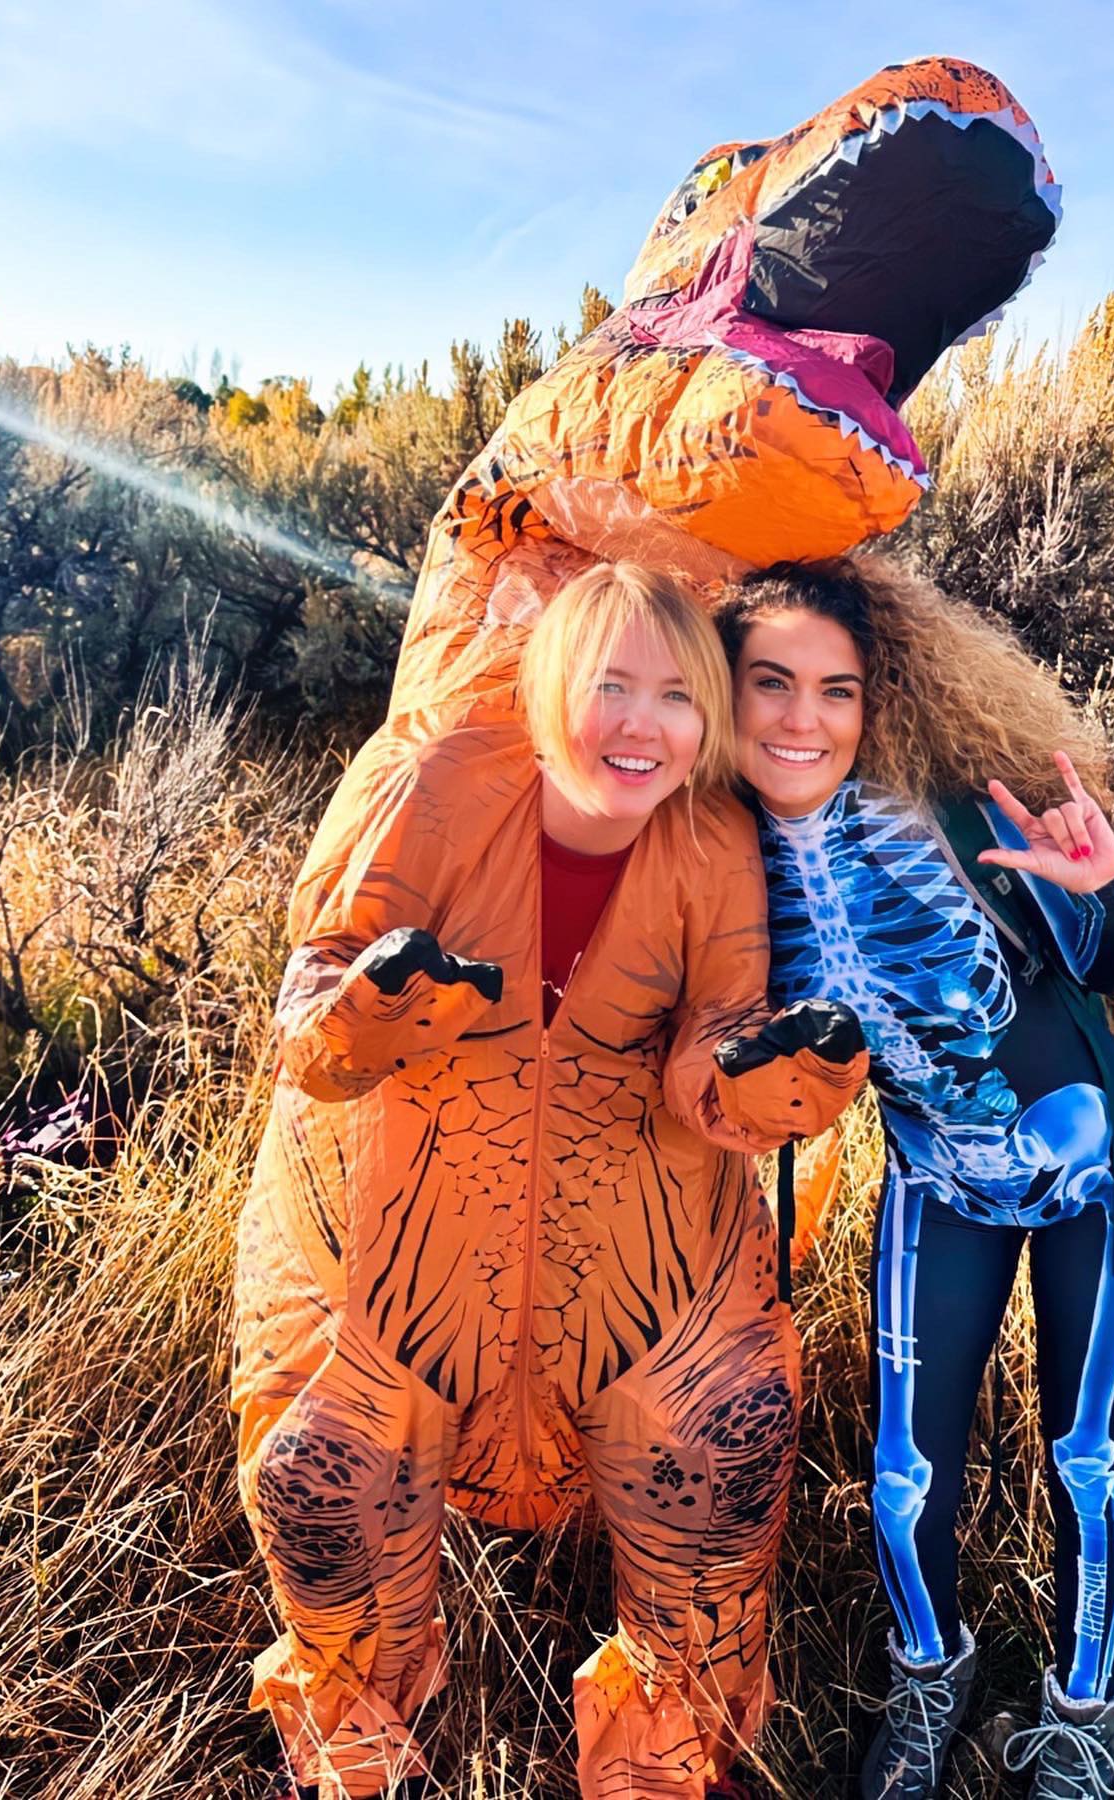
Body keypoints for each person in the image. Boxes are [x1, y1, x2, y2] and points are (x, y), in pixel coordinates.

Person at [233, 561, 867, 1800]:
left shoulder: (711, 836)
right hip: (389, 1256)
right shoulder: (429, 781)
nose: (646, 725)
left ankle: (665, 1764)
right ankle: (358, 1757)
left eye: (682, 697)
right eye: (614, 686)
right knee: (326, 1485)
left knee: (725, 1458)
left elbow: (716, 1036)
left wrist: (766, 1080)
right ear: (548, 683)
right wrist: (380, 1007)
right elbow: (313, 1007)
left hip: (645, 1264)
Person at [713, 555, 1114, 1800]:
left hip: (1096, 1163)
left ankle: (1086, 1719)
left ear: (879, 702)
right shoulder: (713, 853)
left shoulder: (952, 809)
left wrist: (1105, 891)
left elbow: (1106, 964)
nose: (803, 719)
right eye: (771, 685)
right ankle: (933, 1678)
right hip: (939, 1180)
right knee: (906, 1470)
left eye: (836, 691)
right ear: (725, 694)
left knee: (1089, 1454)